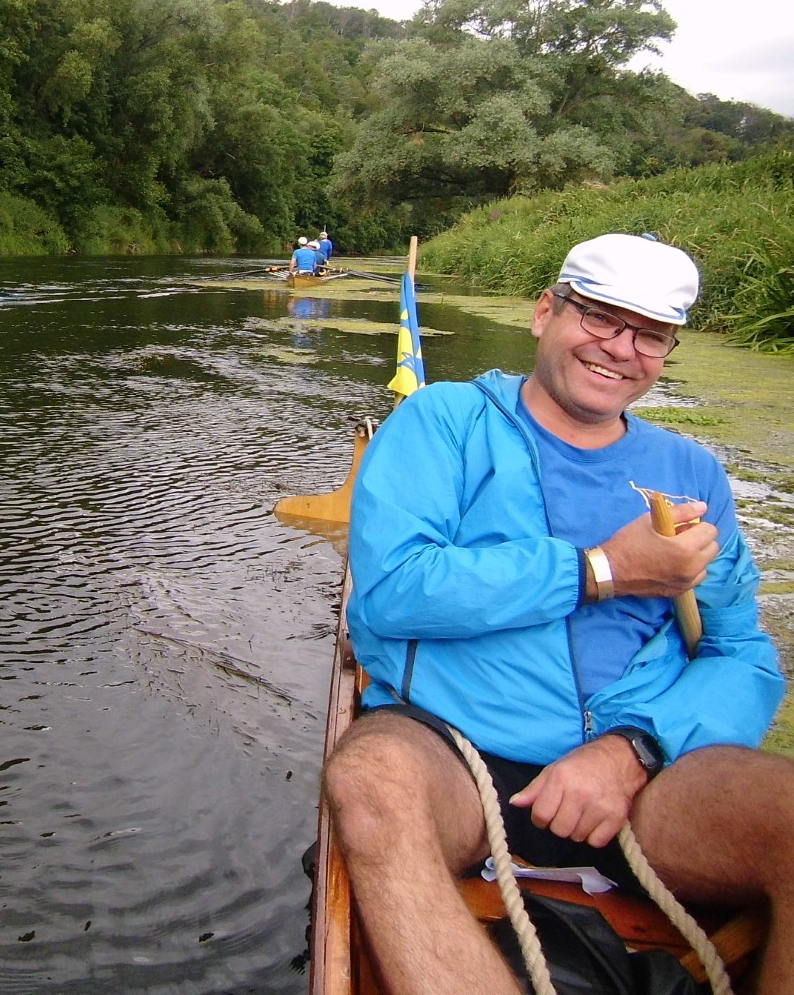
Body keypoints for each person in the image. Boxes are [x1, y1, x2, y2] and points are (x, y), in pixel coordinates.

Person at [321, 233, 792, 993]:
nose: (621, 349)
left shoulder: (691, 473)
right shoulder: (444, 422)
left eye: (650, 335)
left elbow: (740, 653)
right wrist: (601, 570)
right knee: (372, 780)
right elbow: (394, 591)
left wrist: (633, 750)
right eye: (600, 318)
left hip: (643, 785)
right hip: (458, 758)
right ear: (547, 312)